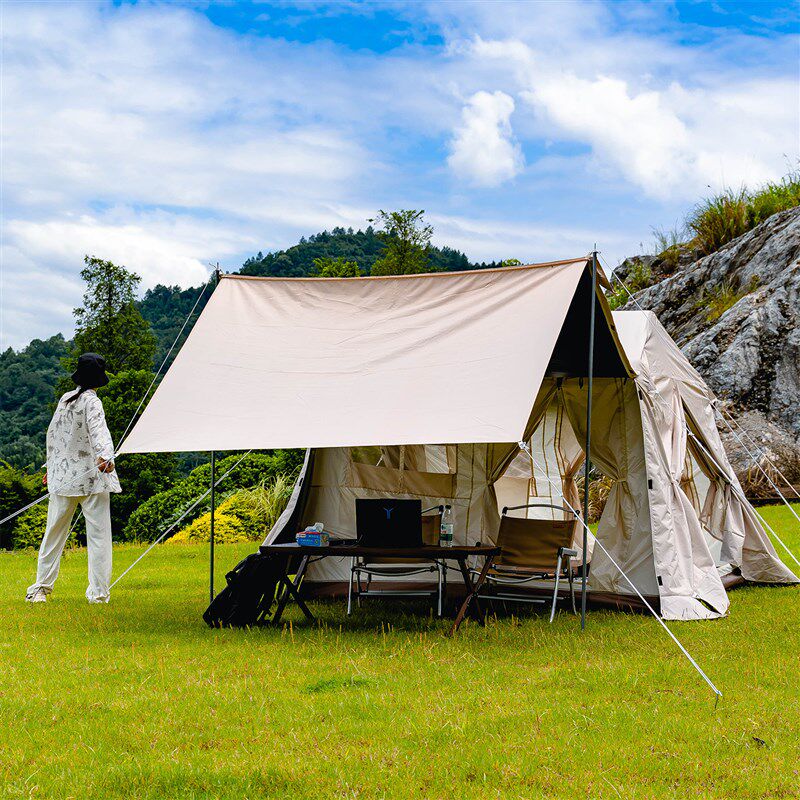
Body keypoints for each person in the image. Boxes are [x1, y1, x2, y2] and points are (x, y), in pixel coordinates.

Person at [26, 353, 121, 604]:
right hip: (91, 478)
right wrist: (105, 458)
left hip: (64, 477)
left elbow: (53, 437)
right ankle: (98, 594)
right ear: (99, 379)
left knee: (53, 533)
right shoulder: (92, 402)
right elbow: (99, 430)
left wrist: (51, 468)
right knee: (99, 537)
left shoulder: (65, 399)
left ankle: (40, 590)